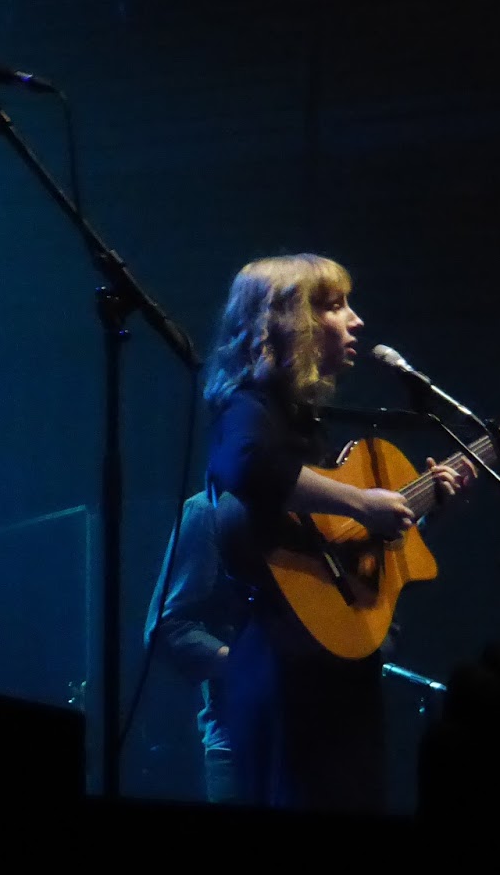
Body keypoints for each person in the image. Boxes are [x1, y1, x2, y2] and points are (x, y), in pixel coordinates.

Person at [191, 253, 471, 813]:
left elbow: (338, 553)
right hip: (286, 671)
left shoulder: (305, 424)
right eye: (336, 306)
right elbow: (245, 467)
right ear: (289, 321)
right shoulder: (250, 405)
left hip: (334, 671)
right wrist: (362, 502)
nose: (357, 321)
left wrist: (427, 508)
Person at [143, 491, 250, 804]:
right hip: (242, 745)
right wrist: (250, 668)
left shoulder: (323, 513)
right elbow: (169, 626)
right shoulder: (208, 510)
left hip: (331, 743)